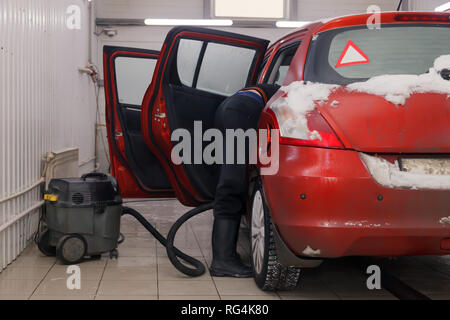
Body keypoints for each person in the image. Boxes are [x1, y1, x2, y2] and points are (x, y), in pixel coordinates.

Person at [209, 84, 280, 278]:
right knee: (232, 184)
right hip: (241, 112)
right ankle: (222, 261)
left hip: (228, 108)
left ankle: (225, 258)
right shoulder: (291, 90)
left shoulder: (270, 87)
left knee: (231, 179)